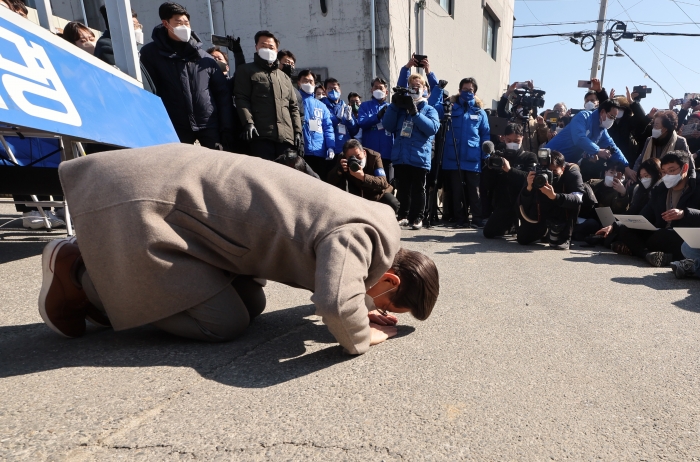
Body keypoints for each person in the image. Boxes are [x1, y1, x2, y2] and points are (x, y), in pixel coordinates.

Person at [38, 144, 440, 356]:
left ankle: (108, 287)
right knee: (224, 323)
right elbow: (335, 304)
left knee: (251, 303)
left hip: (185, 192)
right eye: (388, 306)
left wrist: (360, 297)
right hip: (155, 201)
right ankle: (80, 274)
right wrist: (363, 334)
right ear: (389, 277)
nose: (380, 311)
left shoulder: (378, 226)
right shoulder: (358, 238)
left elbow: (337, 285)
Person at [139, 3, 234, 151]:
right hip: (174, 125)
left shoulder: (204, 57)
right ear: (166, 24)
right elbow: (149, 92)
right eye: (178, 23)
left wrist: (226, 128)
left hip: (208, 124)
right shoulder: (150, 54)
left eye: (186, 23)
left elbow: (222, 93)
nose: (184, 27)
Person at [612, 152, 700, 266]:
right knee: (626, 229)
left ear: (685, 168)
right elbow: (644, 217)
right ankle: (648, 254)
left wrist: (685, 214)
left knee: (661, 237)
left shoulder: (696, 188)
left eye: (672, 170)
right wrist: (616, 225)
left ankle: (638, 250)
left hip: (685, 236)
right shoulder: (659, 191)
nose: (667, 175)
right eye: (664, 172)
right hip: (660, 233)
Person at [382, 74, 440, 230]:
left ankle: (417, 217)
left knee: (419, 188)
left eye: (418, 86)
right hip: (401, 155)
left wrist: (415, 113)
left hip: (420, 156)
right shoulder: (400, 108)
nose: (415, 89)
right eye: (412, 86)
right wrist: (394, 105)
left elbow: (432, 128)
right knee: (403, 188)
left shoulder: (429, 109)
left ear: (425, 89)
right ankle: (402, 215)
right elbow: (388, 125)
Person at [234, 31, 302, 161]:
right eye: (263, 45)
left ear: (276, 50)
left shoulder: (284, 77)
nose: (267, 49)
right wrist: (248, 122)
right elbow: (242, 98)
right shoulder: (246, 70)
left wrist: (297, 131)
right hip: (261, 135)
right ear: (256, 47)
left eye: (271, 47)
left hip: (286, 138)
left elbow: (293, 107)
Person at [545, 99, 636, 182]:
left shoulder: (602, 131)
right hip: (549, 159)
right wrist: (597, 150)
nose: (612, 121)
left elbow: (614, 148)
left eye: (614, 118)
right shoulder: (583, 116)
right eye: (611, 116)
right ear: (603, 112)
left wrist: (626, 167)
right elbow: (579, 138)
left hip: (565, 165)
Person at [441, 77, 490, 229]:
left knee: (474, 191)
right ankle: (460, 219)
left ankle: (477, 219)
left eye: (471, 90)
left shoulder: (480, 112)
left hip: (472, 157)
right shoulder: (450, 107)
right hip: (453, 155)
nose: (468, 92)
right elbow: (434, 108)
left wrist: (485, 153)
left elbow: (485, 134)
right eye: (465, 89)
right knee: (457, 191)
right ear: (459, 90)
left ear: (475, 92)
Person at [518, 149, 585, 250]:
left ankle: (566, 236)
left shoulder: (572, 171)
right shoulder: (535, 171)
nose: (549, 175)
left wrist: (554, 196)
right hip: (541, 211)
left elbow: (578, 199)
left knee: (575, 202)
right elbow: (521, 201)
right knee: (522, 239)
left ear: (563, 168)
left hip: (562, 211)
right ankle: (546, 231)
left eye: (554, 171)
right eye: (546, 171)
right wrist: (528, 187)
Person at [481, 124, 538, 239]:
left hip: (523, 203)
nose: (513, 143)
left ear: (522, 138)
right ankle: (510, 226)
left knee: (524, 238)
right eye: (509, 140)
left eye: (516, 140)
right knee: (489, 232)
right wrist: (489, 167)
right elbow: (487, 184)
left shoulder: (529, 157)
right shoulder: (499, 156)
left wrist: (510, 170)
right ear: (504, 138)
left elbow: (529, 178)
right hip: (504, 204)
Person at [94, 5, 156, 95]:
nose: (138, 29)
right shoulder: (108, 46)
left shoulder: (130, 45)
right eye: (134, 25)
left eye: (138, 25)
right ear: (119, 25)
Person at [327, 139, 399, 213]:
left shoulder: (374, 157)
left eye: (358, 156)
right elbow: (330, 181)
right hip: (355, 195)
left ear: (364, 153)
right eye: (352, 158)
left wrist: (363, 177)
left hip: (377, 194)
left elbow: (383, 183)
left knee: (393, 203)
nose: (356, 160)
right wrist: (339, 170)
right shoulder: (342, 158)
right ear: (346, 158)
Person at [297, 70, 335, 178]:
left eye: (311, 81)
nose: (309, 84)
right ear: (299, 82)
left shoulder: (321, 106)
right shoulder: (295, 100)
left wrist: (330, 147)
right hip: (302, 151)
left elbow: (328, 128)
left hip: (319, 151)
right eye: (305, 81)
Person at [358, 78, 394, 184]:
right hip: (370, 153)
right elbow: (362, 123)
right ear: (371, 90)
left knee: (387, 184)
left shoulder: (391, 107)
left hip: (387, 153)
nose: (378, 90)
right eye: (375, 87)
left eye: (381, 88)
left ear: (386, 92)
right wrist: (377, 116)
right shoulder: (365, 106)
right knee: (371, 183)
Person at [496, 81, 550, 152]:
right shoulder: (511, 119)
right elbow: (500, 109)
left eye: (523, 106)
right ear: (515, 107)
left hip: (531, 157)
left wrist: (542, 125)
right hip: (514, 156)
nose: (522, 108)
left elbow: (543, 139)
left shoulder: (534, 122)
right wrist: (509, 92)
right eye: (519, 106)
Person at [322, 78, 357, 154]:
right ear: (325, 92)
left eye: (335, 88)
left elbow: (354, 131)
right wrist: (336, 119)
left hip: (345, 148)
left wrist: (350, 121)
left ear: (340, 91)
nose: (333, 91)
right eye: (330, 89)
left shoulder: (346, 107)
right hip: (329, 149)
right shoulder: (322, 106)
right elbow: (323, 125)